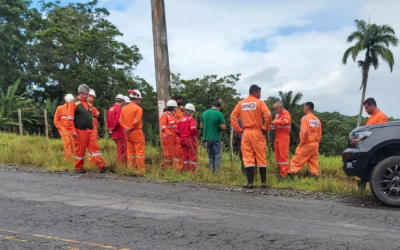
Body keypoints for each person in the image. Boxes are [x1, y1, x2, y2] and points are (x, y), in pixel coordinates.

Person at [231, 85, 271, 188]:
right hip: (257, 132)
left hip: (246, 133)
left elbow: (233, 116)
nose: (260, 95)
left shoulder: (241, 103)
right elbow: (268, 115)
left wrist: (239, 129)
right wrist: (265, 128)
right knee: (261, 157)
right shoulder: (260, 103)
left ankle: (250, 183)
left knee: (248, 157)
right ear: (254, 92)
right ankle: (263, 182)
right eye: (259, 93)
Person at [67, 84, 108, 173]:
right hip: (79, 131)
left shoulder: (87, 103)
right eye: (86, 94)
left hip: (90, 130)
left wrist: (96, 113)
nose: (87, 96)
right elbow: (70, 119)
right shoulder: (73, 103)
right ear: (81, 93)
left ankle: (102, 166)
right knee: (80, 150)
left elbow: (94, 112)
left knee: (95, 148)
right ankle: (79, 167)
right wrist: (73, 131)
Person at [288, 102, 322, 179]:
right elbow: (320, 134)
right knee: (313, 163)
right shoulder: (317, 120)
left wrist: (302, 143)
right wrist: (316, 142)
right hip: (315, 145)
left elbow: (304, 131)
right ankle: (315, 178)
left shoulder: (305, 118)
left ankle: (290, 177)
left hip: (307, 143)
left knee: (296, 160)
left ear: (306, 108)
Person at [119, 89, 146, 175]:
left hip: (127, 133)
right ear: (137, 99)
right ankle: (141, 170)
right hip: (136, 132)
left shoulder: (124, 108)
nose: (140, 101)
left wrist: (126, 128)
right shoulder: (138, 109)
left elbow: (120, 120)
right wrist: (130, 128)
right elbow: (137, 121)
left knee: (130, 152)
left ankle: (131, 168)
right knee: (140, 152)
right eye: (140, 99)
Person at [201, 101, 226, 173]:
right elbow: (223, 127)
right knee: (217, 156)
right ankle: (216, 174)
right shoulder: (219, 114)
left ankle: (211, 173)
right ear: (219, 107)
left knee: (210, 156)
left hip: (206, 138)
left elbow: (201, 126)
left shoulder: (204, 113)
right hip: (215, 138)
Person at [159, 100, 183, 172]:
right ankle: (163, 168)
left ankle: (176, 170)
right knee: (168, 154)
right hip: (167, 137)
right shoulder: (165, 115)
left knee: (177, 153)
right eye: (176, 108)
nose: (177, 109)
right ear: (173, 108)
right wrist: (169, 133)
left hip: (175, 136)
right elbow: (163, 126)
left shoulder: (174, 115)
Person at [270, 101, 291, 178]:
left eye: (276, 109)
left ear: (281, 107)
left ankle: (284, 174)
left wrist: (273, 122)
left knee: (283, 155)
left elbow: (285, 121)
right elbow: (275, 125)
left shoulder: (286, 114)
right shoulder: (278, 116)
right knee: (278, 155)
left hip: (284, 136)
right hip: (278, 136)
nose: (275, 111)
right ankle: (281, 172)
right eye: (274, 109)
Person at [176, 103, 199, 173]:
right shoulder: (190, 119)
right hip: (189, 140)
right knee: (192, 155)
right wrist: (197, 136)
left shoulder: (180, 120)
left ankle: (185, 169)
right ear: (191, 112)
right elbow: (193, 129)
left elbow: (177, 131)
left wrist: (181, 136)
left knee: (185, 156)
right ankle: (192, 171)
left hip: (182, 140)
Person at [107, 94, 127, 165]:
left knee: (119, 149)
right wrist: (113, 128)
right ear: (122, 102)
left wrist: (110, 129)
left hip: (114, 133)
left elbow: (108, 121)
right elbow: (118, 121)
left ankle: (119, 165)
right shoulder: (118, 109)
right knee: (122, 150)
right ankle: (121, 165)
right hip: (119, 133)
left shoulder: (110, 109)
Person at [54, 94, 75, 161]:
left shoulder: (73, 109)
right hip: (63, 129)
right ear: (66, 101)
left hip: (71, 130)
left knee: (73, 144)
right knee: (67, 143)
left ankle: (72, 159)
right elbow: (56, 120)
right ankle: (68, 159)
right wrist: (61, 128)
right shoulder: (60, 108)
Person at [87, 89, 100, 166]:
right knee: (93, 146)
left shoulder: (89, 105)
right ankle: (92, 163)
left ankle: (91, 163)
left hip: (92, 129)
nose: (93, 99)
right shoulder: (88, 105)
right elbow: (96, 113)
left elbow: (97, 113)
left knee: (91, 147)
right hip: (91, 130)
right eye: (93, 97)